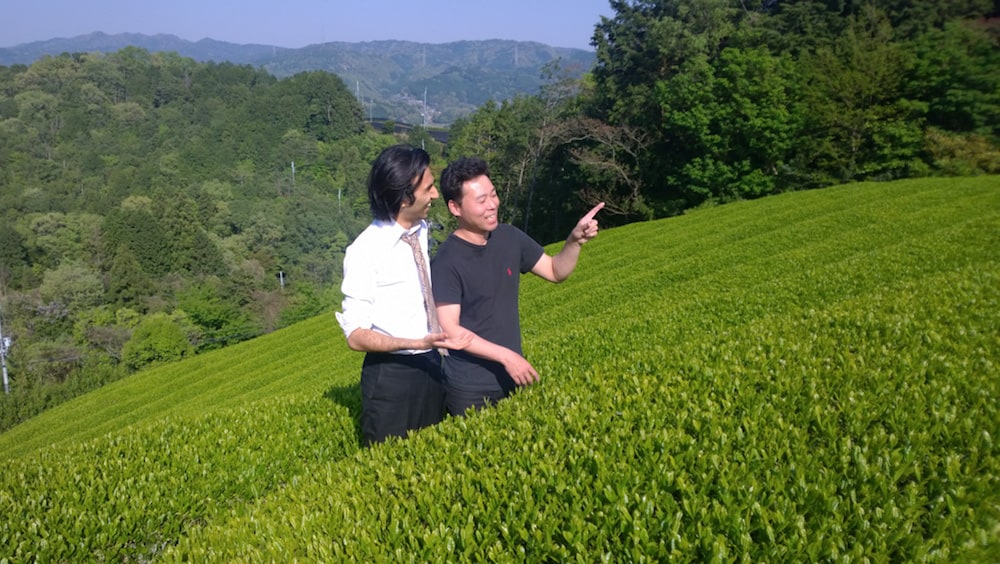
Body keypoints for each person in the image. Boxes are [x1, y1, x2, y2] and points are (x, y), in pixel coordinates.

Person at [431, 156, 603, 415]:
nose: (492, 205)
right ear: (455, 208)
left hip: (513, 376)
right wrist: (506, 356)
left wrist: (574, 241)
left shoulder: (509, 237)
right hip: (471, 387)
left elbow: (555, 271)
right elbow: (450, 330)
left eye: (493, 194)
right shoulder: (447, 260)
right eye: (481, 200)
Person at [336, 144, 470, 446]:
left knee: (433, 455)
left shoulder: (420, 230)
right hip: (392, 375)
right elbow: (355, 336)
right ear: (404, 196)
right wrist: (416, 342)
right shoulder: (365, 251)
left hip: (432, 363)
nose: (435, 195)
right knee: (389, 463)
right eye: (428, 188)